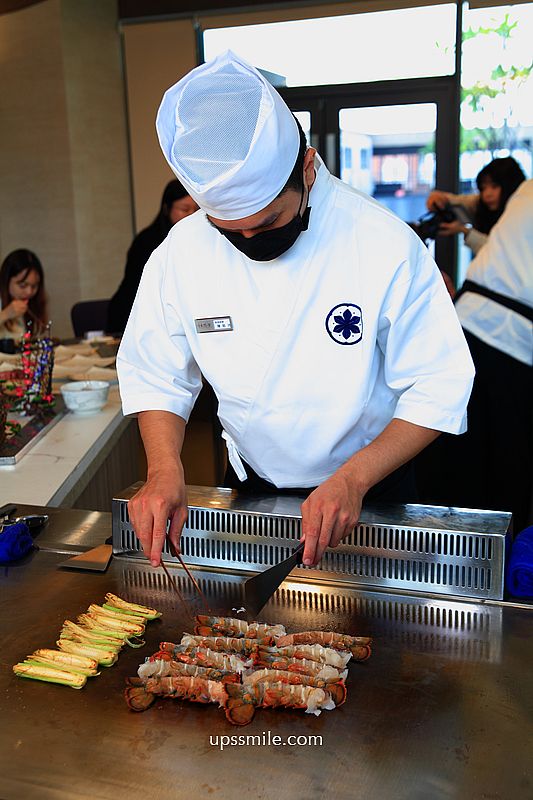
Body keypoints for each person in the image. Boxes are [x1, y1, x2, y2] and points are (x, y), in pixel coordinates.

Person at [117, 51, 474, 569]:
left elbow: (439, 384)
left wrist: (352, 479)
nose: (249, 241)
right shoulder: (181, 251)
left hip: (370, 490)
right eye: (229, 231)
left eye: (268, 223)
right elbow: (156, 372)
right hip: (252, 488)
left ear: (307, 168)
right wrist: (163, 468)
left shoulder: (382, 242)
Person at [416, 179, 533, 533]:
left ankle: (440, 558)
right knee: (503, 473)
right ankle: (492, 566)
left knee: (448, 452)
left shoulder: (527, 188)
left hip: (463, 325)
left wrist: (451, 200)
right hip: (512, 343)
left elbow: (476, 202)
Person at [107, 179, 198, 334]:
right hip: (136, 317)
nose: (191, 215)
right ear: (166, 208)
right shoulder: (147, 241)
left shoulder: (198, 239)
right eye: (185, 209)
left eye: (196, 210)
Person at [426, 156, 526, 256]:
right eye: (483, 188)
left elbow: (499, 253)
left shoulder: (522, 215)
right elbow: (453, 199)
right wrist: (438, 198)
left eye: (494, 186)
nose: (487, 194)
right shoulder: (482, 204)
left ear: (510, 186)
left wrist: (464, 230)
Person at [0, 249, 47, 339]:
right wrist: (5, 314)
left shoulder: (33, 303)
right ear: (6, 281)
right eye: (23, 285)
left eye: (34, 286)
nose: (29, 292)